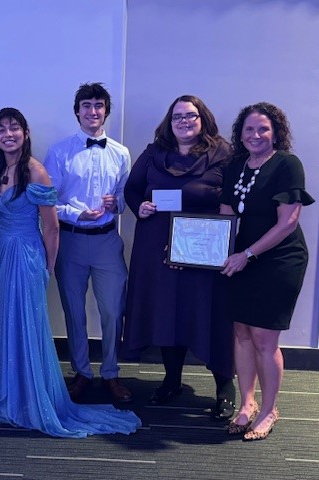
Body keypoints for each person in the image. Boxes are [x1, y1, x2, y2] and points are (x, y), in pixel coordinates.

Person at [0, 107, 140, 438]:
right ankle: (12, 396)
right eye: (1, 129)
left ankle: (35, 398)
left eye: (14, 128)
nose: (8, 134)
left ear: (25, 133)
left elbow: (51, 229)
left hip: (26, 256)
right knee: (7, 324)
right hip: (2, 254)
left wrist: (47, 267)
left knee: (28, 326)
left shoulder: (35, 171)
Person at [123, 95, 236, 417]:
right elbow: (132, 190)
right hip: (157, 244)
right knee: (168, 313)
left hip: (203, 247)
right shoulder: (154, 152)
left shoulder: (223, 153)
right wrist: (140, 208)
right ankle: (171, 380)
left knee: (208, 313)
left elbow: (233, 197)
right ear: (168, 123)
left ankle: (225, 387)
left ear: (203, 119)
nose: (184, 122)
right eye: (177, 117)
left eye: (191, 116)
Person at [220, 102, 313, 441]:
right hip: (240, 259)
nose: (256, 135)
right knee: (241, 331)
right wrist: (213, 251)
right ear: (240, 134)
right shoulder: (235, 166)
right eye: (249, 129)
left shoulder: (287, 165)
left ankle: (271, 408)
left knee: (263, 337)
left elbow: (288, 222)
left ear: (275, 132)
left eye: (263, 129)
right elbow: (227, 213)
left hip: (278, 260)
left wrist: (247, 253)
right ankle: (247, 403)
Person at [43, 83, 132, 403]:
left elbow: (126, 195)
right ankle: (81, 371)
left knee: (112, 311)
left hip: (108, 241)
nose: (92, 112)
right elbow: (49, 200)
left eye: (98, 105)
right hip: (71, 240)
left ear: (106, 110)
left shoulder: (121, 153)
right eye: (86, 106)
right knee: (74, 311)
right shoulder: (59, 151)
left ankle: (110, 372)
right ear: (77, 111)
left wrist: (115, 203)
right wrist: (77, 214)